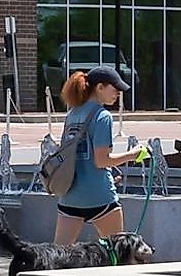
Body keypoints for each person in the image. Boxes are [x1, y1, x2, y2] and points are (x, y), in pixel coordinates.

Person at [52, 66, 145, 243]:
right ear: (99, 87)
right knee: (116, 254)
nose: (118, 93)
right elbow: (102, 160)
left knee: (58, 255)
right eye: (115, 88)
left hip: (70, 195)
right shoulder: (102, 116)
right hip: (99, 197)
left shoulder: (72, 114)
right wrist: (133, 154)